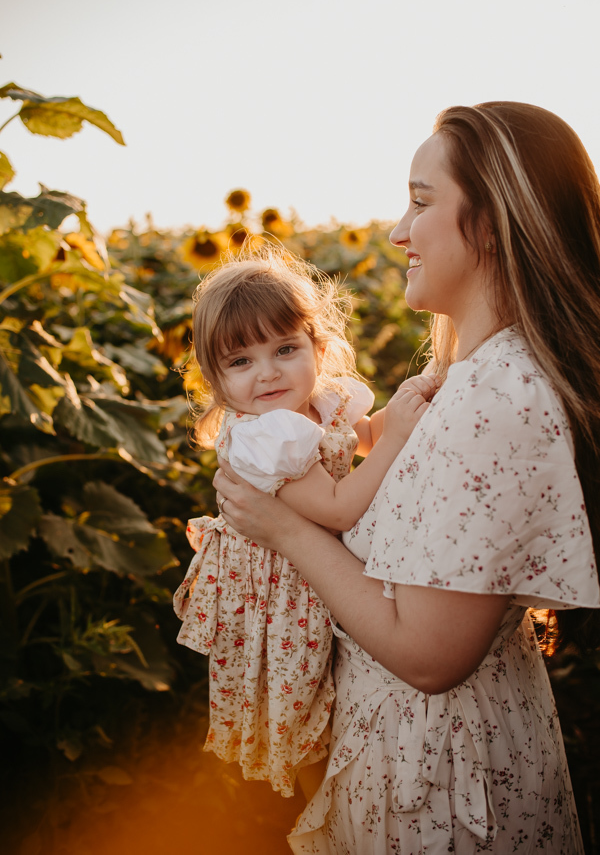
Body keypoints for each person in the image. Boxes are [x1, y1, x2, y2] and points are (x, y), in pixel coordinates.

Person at [213, 103, 600, 853]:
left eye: (421, 203)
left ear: (491, 225)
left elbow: (430, 656)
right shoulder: (466, 377)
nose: (398, 231)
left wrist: (283, 528)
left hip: (448, 786)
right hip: (421, 761)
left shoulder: (495, 397)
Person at [173, 244, 438, 798]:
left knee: (338, 687)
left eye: (285, 349)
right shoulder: (266, 437)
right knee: (299, 691)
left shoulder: (320, 403)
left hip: (308, 568)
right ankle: (309, 802)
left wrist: (411, 401)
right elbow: (339, 506)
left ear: (318, 347)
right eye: (240, 362)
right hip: (277, 590)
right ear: (214, 378)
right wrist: (399, 436)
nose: (268, 373)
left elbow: (362, 439)